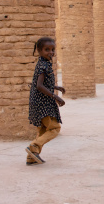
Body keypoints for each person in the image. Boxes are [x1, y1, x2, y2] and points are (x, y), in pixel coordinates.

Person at [26, 37, 65, 165]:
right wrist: (56, 96)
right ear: (39, 50)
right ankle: (34, 146)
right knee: (54, 128)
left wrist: (55, 87)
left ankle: (31, 158)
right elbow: (39, 85)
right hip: (42, 103)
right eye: (47, 49)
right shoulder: (43, 64)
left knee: (42, 130)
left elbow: (42, 83)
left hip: (38, 101)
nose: (51, 52)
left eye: (52, 49)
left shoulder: (44, 62)